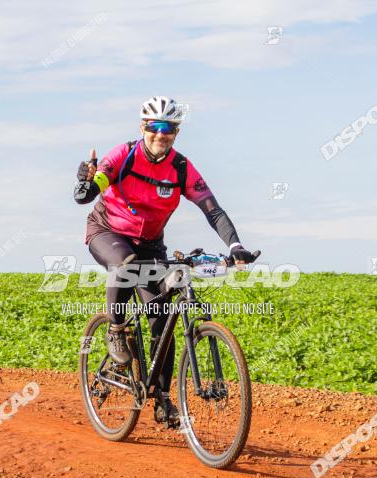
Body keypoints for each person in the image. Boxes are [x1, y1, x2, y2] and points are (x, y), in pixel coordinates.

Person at [73, 96, 256, 427]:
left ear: (176, 132)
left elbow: (212, 209)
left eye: (169, 128)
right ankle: (116, 330)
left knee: (162, 320)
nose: (162, 134)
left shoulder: (181, 168)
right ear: (144, 127)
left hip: (151, 245)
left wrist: (236, 244)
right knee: (125, 264)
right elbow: (91, 190)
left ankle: (161, 399)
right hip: (107, 231)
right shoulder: (123, 156)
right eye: (155, 127)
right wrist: (86, 180)